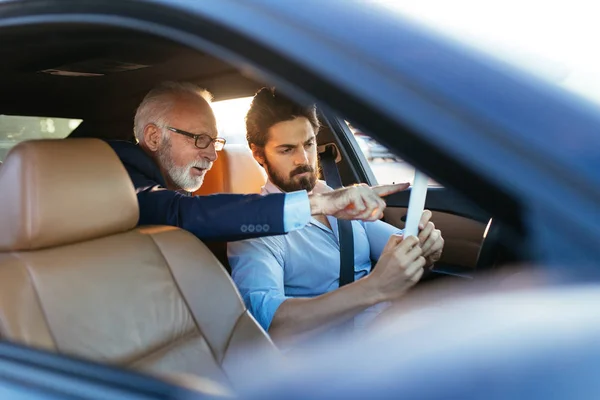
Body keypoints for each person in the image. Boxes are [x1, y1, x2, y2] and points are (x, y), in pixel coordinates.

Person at [227, 88, 445, 346]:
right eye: (286, 150)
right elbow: (268, 321)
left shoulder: (336, 197)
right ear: (258, 154)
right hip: (336, 361)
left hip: (392, 334)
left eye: (308, 144)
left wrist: (424, 248)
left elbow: (400, 247)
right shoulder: (255, 227)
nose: (303, 159)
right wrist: (374, 287)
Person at [108, 81, 404, 242]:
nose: (212, 154)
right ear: (154, 137)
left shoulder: (165, 185)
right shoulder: (114, 176)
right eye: (200, 139)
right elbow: (181, 214)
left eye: (215, 141)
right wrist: (320, 204)